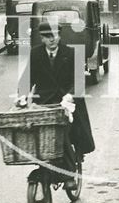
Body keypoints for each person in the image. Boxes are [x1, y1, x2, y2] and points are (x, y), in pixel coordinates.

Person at [27, 21, 95, 187]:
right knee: (36, 133)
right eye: (47, 36)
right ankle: (44, 166)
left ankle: (70, 173)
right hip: (44, 103)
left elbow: (78, 81)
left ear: (59, 35)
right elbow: (27, 80)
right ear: (42, 38)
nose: (51, 39)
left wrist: (70, 96)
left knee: (61, 131)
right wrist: (22, 97)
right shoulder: (35, 54)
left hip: (67, 103)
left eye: (54, 35)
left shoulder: (71, 53)